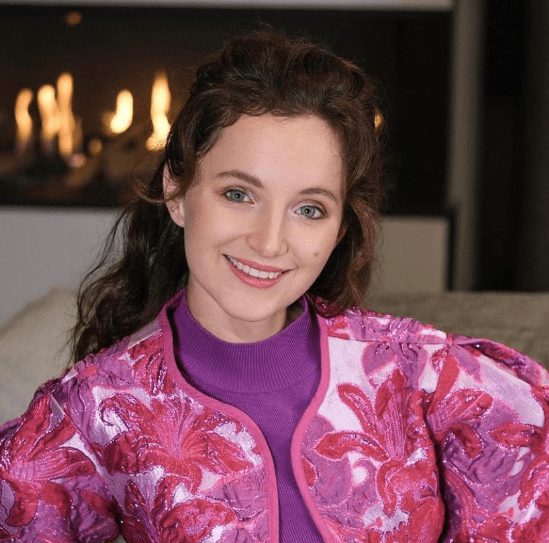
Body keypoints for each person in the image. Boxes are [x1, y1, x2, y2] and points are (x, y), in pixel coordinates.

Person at [1, 29, 548, 543]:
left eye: (309, 209)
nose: (268, 243)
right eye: (239, 194)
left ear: (339, 229)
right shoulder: (97, 408)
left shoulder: (422, 372)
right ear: (176, 192)